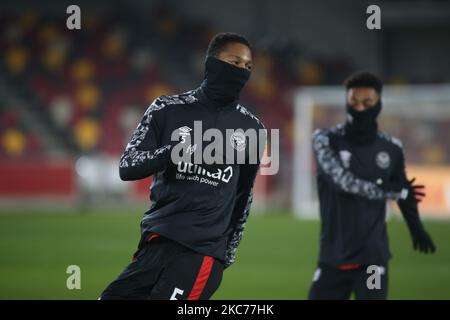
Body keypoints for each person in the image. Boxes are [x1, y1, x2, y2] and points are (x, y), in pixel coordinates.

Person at [100, 32, 266, 300]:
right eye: (234, 63)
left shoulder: (252, 129)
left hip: (201, 254)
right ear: (211, 63)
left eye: (248, 67)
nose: (242, 72)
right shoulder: (166, 109)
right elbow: (128, 165)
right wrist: (175, 151)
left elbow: (243, 196)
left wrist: (227, 252)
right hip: (155, 244)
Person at [308, 71, 436, 300]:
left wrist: (416, 228)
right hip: (332, 258)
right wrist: (389, 189)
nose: (359, 108)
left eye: (367, 103)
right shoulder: (325, 140)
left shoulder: (392, 148)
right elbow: (342, 182)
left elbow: (404, 189)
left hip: (372, 260)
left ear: (378, 104)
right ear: (346, 102)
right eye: (353, 102)